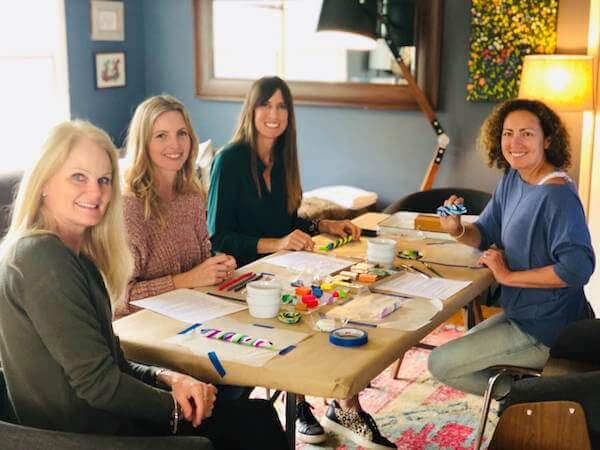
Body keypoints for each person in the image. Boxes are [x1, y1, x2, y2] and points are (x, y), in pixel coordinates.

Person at [0, 120, 288, 450]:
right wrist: (175, 408)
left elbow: (112, 363)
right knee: (249, 426)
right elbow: (99, 385)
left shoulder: (73, 256)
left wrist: (168, 378)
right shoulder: (42, 259)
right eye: (78, 177)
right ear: (44, 182)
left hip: (100, 420)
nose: (95, 192)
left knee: (253, 416)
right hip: (84, 438)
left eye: (104, 180)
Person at [208, 76, 395, 450]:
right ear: (252, 109)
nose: (274, 115)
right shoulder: (228, 161)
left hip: (281, 270)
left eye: (282, 107)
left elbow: (285, 220)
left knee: (337, 311)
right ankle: (312, 403)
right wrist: (276, 243)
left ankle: (333, 403)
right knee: (306, 326)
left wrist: (321, 224)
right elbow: (218, 237)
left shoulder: (282, 160)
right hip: (242, 280)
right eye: (266, 105)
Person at [428, 98, 595, 401]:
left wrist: (506, 276)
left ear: (548, 140)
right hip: (521, 315)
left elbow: (578, 268)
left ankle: (535, 400)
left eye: (527, 134)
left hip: (547, 329)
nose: (515, 142)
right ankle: (529, 394)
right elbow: (485, 232)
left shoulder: (557, 196)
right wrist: (457, 229)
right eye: (508, 133)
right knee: (454, 354)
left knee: (440, 363)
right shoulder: (514, 178)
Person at [120, 95, 236, 317]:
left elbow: (202, 259)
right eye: (161, 136)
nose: (175, 145)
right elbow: (118, 298)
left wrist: (218, 265)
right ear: (143, 143)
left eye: (181, 134)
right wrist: (186, 280)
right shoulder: (128, 209)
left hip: (192, 316)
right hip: (141, 333)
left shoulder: (191, 196)